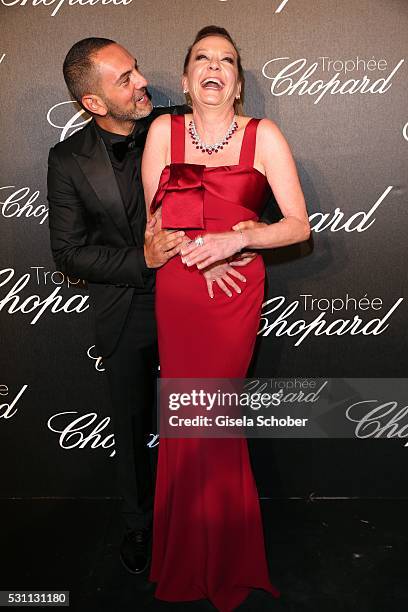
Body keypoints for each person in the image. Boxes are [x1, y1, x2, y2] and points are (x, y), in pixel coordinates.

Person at [47, 37, 257, 578]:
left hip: (198, 295)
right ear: (93, 102)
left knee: (200, 412)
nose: (142, 82)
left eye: (137, 69)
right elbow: (68, 252)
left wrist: (234, 238)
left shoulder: (177, 123)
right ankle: (140, 523)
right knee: (134, 418)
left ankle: (202, 519)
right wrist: (140, 259)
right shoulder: (68, 160)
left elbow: (238, 179)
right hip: (130, 300)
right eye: (125, 79)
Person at [142, 26, 310, 610]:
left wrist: (242, 241)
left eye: (227, 61)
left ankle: (220, 557)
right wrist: (200, 256)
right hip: (183, 288)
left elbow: (297, 226)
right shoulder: (163, 131)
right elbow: (154, 225)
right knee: (187, 417)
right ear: (186, 80)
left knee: (214, 417)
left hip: (235, 289)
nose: (215, 67)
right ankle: (187, 556)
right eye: (202, 59)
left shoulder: (265, 137)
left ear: (237, 84)